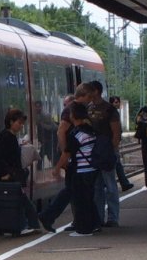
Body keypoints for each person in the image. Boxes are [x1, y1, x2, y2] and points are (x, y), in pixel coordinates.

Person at [0, 108, 41, 237]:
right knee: (17, 201)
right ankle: (25, 226)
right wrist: (7, 174)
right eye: (19, 123)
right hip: (4, 176)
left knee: (5, 202)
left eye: (22, 123)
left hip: (6, 175)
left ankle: (30, 225)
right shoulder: (7, 137)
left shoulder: (8, 136)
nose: (21, 126)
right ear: (11, 121)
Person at [75, 81, 121, 227]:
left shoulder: (109, 110)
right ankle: (99, 218)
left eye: (89, 91)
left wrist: (112, 149)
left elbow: (116, 132)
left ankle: (113, 217)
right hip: (92, 152)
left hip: (106, 150)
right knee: (97, 186)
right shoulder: (87, 108)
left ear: (96, 91)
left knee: (110, 185)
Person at [52, 101, 101, 236]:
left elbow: (67, 153)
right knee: (88, 199)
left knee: (81, 201)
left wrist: (57, 168)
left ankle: (84, 229)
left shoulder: (77, 134)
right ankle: (93, 225)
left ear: (74, 115)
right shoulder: (89, 129)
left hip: (82, 171)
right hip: (92, 169)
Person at [38, 94, 75, 232]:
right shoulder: (73, 131)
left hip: (73, 161)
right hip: (75, 162)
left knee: (72, 190)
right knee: (73, 190)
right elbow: (66, 149)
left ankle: (48, 215)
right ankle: (47, 215)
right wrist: (58, 166)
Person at [109, 95, 135, 192]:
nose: (117, 104)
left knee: (117, 163)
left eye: (118, 102)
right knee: (116, 163)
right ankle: (123, 183)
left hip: (114, 142)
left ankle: (124, 183)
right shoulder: (112, 113)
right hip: (112, 143)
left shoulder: (114, 112)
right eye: (115, 102)